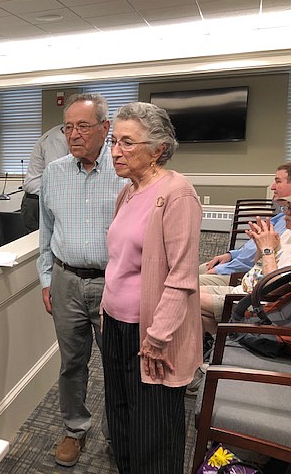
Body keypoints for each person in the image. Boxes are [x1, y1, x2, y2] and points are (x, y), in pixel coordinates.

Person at [100, 102, 202, 474]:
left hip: (151, 333)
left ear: (158, 148)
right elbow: (120, 262)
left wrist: (158, 337)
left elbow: (181, 277)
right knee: (122, 416)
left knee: (154, 429)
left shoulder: (178, 193)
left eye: (127, 143)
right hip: (115, 323)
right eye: (114, 141)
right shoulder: (128, 191)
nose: (115, 151)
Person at [37, 93, 127, 467]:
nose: (74, 134)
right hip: (66, 280)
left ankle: (117, 432)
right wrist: (45, 278)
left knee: (118, 363)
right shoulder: (53, 173)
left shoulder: (124, 172)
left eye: (83, 126)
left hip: (114, 284)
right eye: (68, 127)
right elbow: (47, 230)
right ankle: (74, 429)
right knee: (72, 363)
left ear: (105, 129)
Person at [200, 203, 291, 334]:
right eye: (287, 207)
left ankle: (222, 341)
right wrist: (259, 245)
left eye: (290, 209)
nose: (285, 213)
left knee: (184, 298)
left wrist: (267, 249)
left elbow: (273, 290)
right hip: (240, 291)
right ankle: (213, 345)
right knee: (187, 293)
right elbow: (257, 265)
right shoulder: (287, 233)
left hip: (254, 305)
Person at [199, 163, 291, 286]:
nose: (272, 187)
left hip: (245, 276)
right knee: (197, 270)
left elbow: (257, 259)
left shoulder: (288, 225)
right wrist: (231, 255)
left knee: (187, 285)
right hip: (237, 266)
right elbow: (253, 246)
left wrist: (222, 269)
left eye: (278, 182)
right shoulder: (280, 218)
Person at [20, 124, 68, 233]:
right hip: (36, 202)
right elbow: (57, 178)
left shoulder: (62, 135)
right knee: (36, 246)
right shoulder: (57, 139)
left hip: (43, 199)